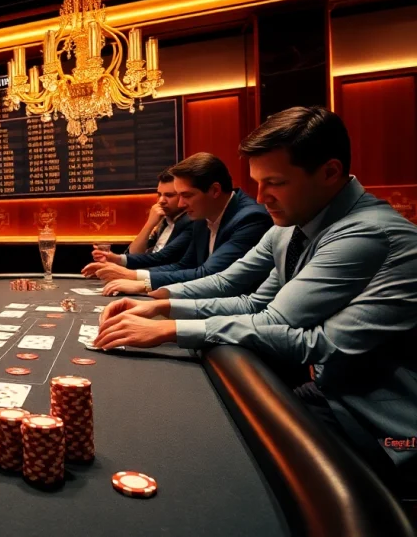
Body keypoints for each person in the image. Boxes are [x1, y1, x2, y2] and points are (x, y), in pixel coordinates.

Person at [93, 105, 417, 488]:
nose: (261, 197)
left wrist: (169, 329)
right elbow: (244, 296)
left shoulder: (366, 233)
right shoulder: (295, 221)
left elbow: (293, 332)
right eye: (257, 182)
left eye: (275, 182)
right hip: (331, 392)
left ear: (330, 172)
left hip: (383, 425)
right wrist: (160, 306)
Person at [83, 152, 271, 295]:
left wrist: (137, 279)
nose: (181, 204)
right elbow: (184, 265)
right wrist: (134, 275)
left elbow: (210, 274)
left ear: (214, 190)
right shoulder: (201, 213)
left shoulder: (250, 218)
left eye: (186, 196)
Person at [121, 168, 191, 255]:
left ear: (183, 196)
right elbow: (133, 254)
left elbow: (166, 260)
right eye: (159, 194)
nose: (161, 200)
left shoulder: (190, 222)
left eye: (169, 195)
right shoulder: (164, 222)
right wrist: (149, 224)